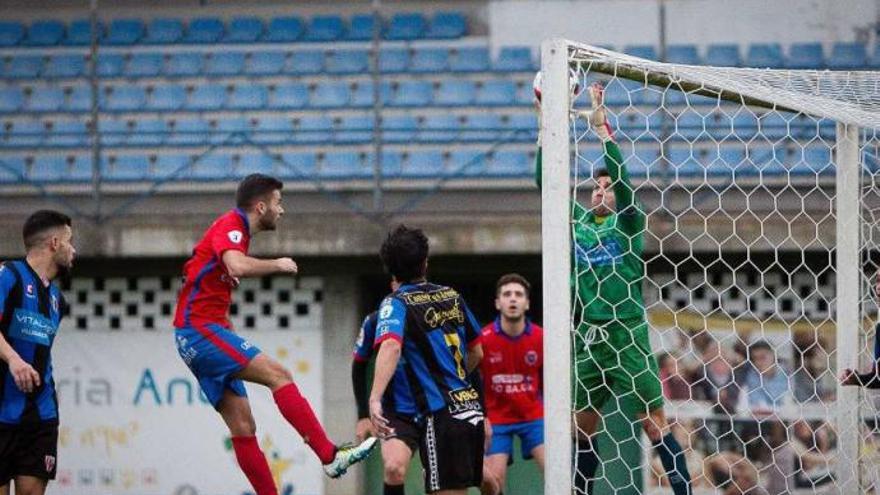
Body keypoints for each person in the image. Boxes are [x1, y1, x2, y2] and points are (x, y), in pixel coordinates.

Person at [172, 174, 375, 495]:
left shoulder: (228, 231)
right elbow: (236, 266)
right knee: (279, 375)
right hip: (199, 331)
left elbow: (205, 279)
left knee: (243, 427)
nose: (282, 210)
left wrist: (227, 326)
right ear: (261, 206)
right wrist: (278, 264)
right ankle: (330, 455)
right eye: (279, 203)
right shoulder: (232, 226)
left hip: (196, 334)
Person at [535, 82, 691, 494]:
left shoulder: (627, 223)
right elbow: (545, 185)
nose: (600, 191)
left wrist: (603, 131)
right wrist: (542, 125)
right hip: (590, 337)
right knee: (582, 428)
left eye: (606, 187)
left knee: (652, 424)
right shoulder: (579, 225)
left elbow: (622, 182)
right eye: (595, 187)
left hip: (626, 332)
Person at [369, 225, 487, 495]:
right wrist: (453, 379)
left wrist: (375, 398)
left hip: (440, 415)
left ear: (391, 271)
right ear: (425, 262)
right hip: (470, 410)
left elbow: (390, 346)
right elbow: (477, 352)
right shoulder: (452, 296)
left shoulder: (396, 302)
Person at [0, 210, 76, 495]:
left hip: (40, 414)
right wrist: (13, 359)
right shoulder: (8, 276)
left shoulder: (57, 300)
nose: (73, 249)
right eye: (69, 241)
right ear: (54, 243)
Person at [352, 281, 420, 495]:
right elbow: (359, 365)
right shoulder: (375, 321)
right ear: (393, 286)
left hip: (436, 411)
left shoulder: (435, 318)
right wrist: (363, 414)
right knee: (393, 468)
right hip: (396, 413)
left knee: (486, 479)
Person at [479, 273, 544, 494]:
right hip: (497, 420)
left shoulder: (542, 338)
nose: (513, 299)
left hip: (534, 416)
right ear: (498, 303)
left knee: (560, 470)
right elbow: (470, 380)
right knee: (492, 483)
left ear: (527, 303)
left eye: (518, 294)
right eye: (507, 295)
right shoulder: (483, 339)